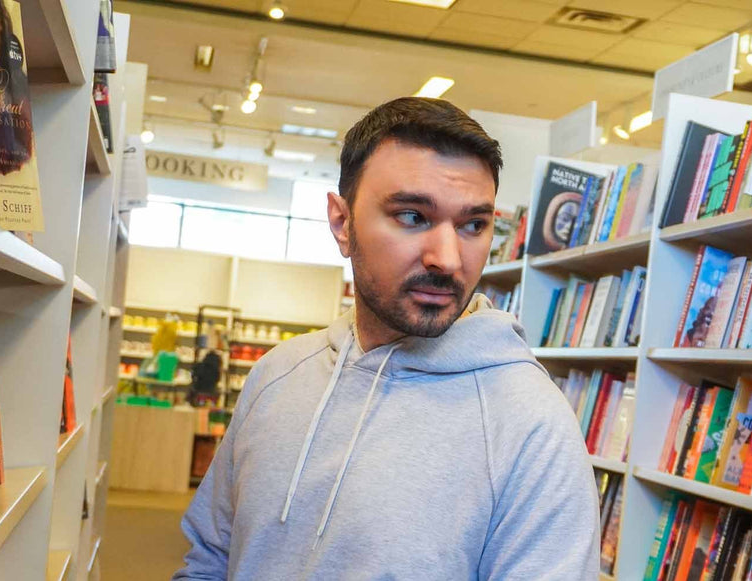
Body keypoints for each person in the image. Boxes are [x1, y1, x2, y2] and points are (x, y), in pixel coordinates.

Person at [174, 97, 599, 580]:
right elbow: (209, 560)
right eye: (413, 216)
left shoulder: (530, 423)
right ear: (341, 222)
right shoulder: (277, 374)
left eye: (473, 225)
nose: (449, 259)